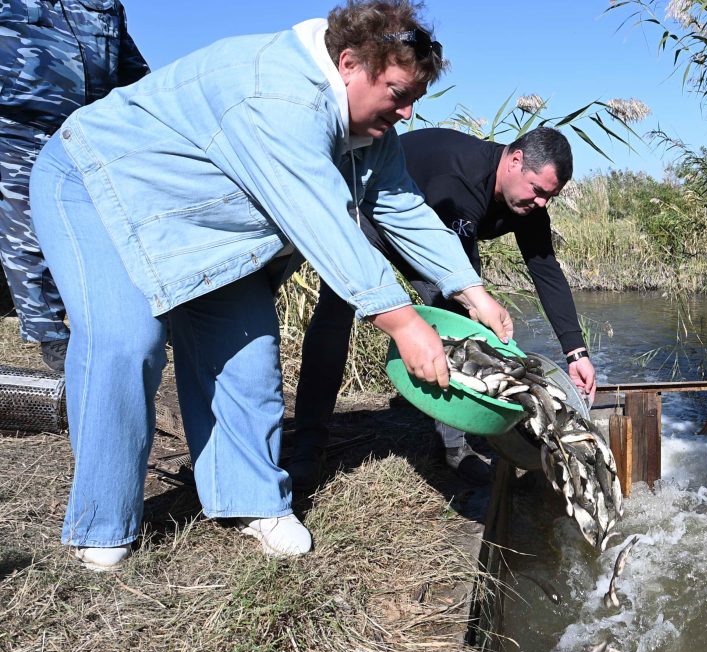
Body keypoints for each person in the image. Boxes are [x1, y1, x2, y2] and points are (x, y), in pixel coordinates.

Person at [29, 0, 512, 571]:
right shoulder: (277, 95)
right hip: (98, 183)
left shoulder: (370, 130)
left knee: (249, 355)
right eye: (398, 93)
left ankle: (250, 499)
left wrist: (469, 288)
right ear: (350, 63)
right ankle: (103, 522)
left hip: (201, 223)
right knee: (126, 341)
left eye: (415, 100)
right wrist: (404, 322)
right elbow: (323, 221)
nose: (407, 114)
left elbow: (402, 205)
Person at [291, 126, 597, 489]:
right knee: (335, 314)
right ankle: (307, 444)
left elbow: (546, 271)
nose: (542, 204)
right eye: (538, 191)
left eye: (551, 197)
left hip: (425, 228)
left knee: (464, 320)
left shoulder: (528, 205)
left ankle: (452, 447)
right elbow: (453, 275)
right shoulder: (460, 179)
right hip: (370, 211)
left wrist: (576, 352)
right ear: (515, 161)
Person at [0, 0, 149, 371]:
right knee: (25, 233)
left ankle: (110, 324)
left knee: (107, 226)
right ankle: (51, 334)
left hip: (88, 129)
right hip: (14, 126)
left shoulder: (104, 4)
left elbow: (130, 67)